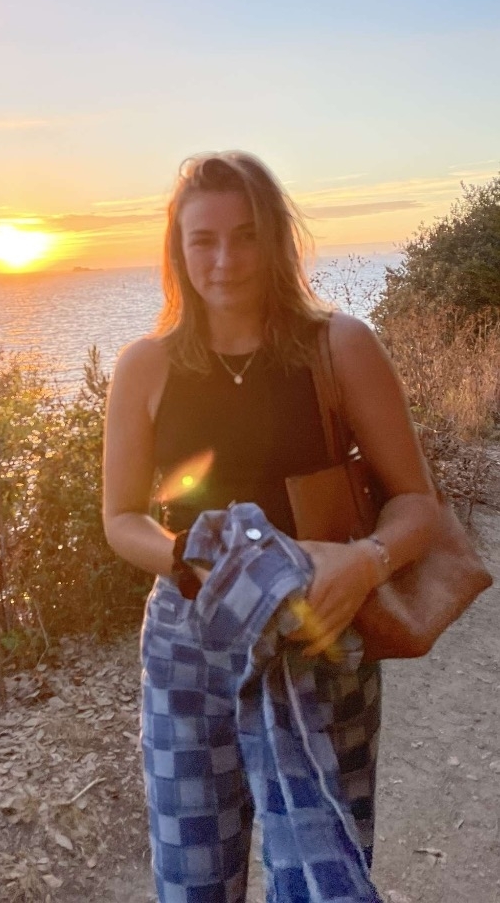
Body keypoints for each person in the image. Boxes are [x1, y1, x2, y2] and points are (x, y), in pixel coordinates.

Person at [102, 151, 438, 902]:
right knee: (191, 882)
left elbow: (419, 503)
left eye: (246, 235)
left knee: (324, 878)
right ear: (178, 249)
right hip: (190, 644)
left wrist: (367, 561)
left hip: (321, 635)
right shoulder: (145, 367)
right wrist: (188, 559)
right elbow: (121, 519)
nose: (225, 260)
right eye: (204, 239)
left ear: (279, 240)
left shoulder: (339, 346)